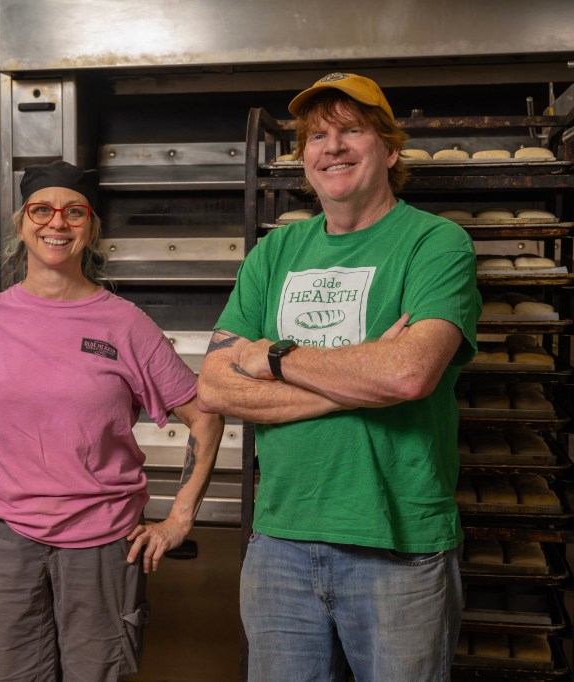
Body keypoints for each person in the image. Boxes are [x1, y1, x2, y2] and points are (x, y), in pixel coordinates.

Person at [0, 159, 223, 681]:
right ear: (21, 223)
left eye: (74, 212)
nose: (57, 223)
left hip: (103, 543)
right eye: (42, 210)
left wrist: (179, 521)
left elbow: (205, 418)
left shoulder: (126, 325)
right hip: (5, 542)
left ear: (91, 229)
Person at [197, 73, 481, 681]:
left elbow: (407, 374)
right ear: (304, 159)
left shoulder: (436, 243)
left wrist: (274, 357)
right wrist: (354, 386)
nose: (333, 147)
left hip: (397, 545)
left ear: (390, 150)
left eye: (352, 130)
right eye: (317, 137)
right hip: (280, 541)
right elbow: (215, 386)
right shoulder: (274, 252)